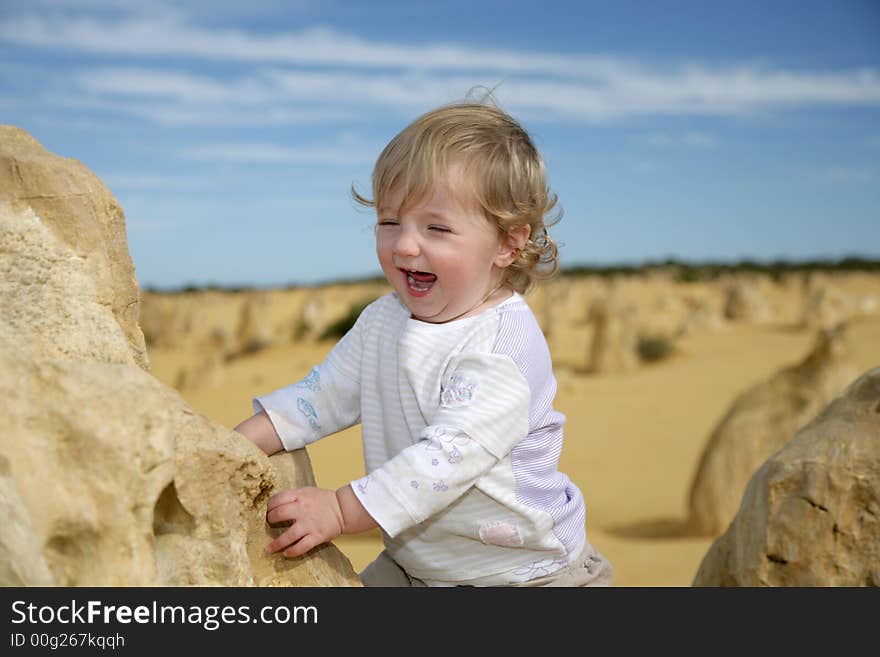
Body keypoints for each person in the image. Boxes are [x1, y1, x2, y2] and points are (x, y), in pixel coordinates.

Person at [234, 100, 613, 587]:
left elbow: (444, 459)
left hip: (526, 574)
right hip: (417, 567)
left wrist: (340, 509)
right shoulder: (383, 320)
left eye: (436, 228)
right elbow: (320, 397)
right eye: (390, 222)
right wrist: (234, 444)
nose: (405, 245)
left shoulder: (503, 348)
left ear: (507, 244)